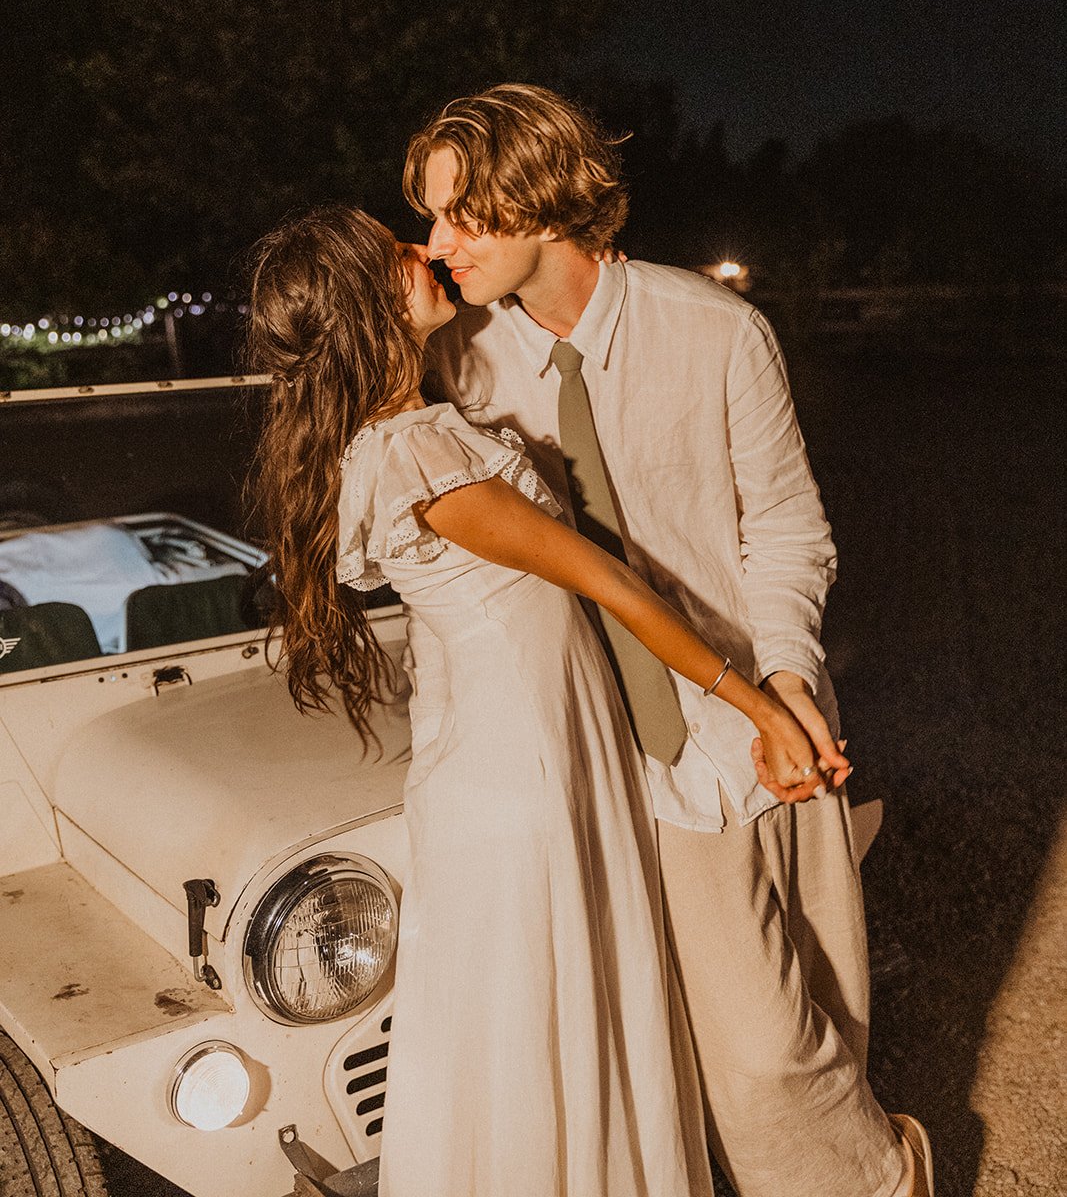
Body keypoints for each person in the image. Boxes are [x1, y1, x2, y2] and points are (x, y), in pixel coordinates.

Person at [403, 83, 935, 1197]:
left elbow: (785, 526)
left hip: (749, 714)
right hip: (597, 751)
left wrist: (781, 684)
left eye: (461, 215)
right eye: (433, 216)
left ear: (540, 202)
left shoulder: (715, 330)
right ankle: (880, 1174)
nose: (437, 242)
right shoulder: (459, 367)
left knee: (806, 1021)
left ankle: (879, 1164)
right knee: (723, 1059)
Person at [244, 204, 832, 1197]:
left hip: (528, 752)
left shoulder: (405, 434)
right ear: (365, 307)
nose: (423, 248)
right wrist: (759, 704)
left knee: (549, 1030)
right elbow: (612, 584)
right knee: (546, 1030)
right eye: (397, 253)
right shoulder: (415, 452)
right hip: (520, 778)